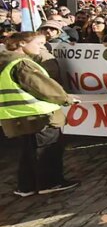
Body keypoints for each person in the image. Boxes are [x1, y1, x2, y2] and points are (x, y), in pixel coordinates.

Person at [0, 31, 79, 196]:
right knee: (47, 149)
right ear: (22, 43)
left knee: (28, 152)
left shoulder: (5, 61)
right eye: (39, 44)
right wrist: (65, 98)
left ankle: (26, 186)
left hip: (16, 116)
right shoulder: (22, 64)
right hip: (38, 116)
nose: (41, 48)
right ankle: (49, 182)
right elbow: (42, 86)